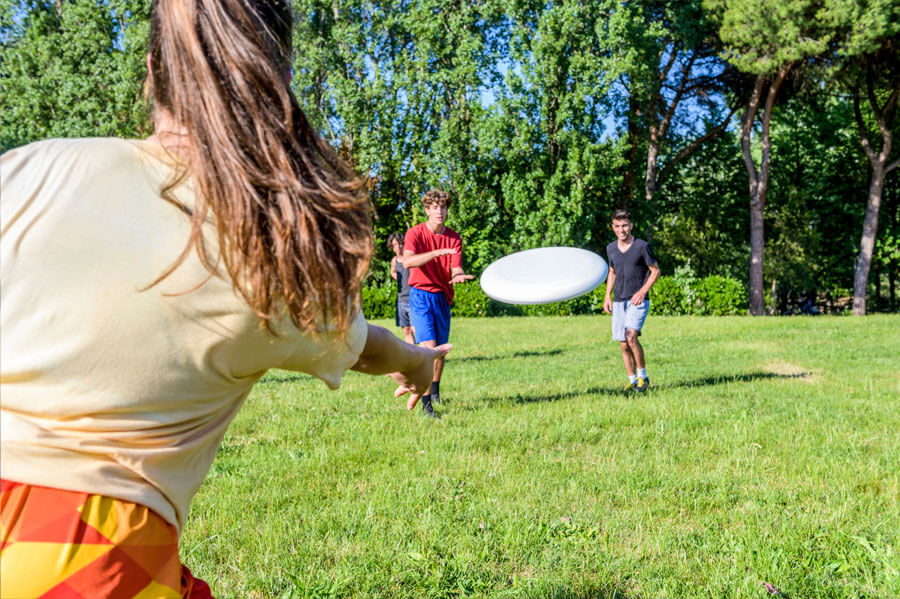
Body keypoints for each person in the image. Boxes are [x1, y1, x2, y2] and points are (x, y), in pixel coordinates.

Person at [0, 2, 448, 597]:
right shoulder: (268, 249)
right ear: (278, 83)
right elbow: (367, 350)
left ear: (153, 69)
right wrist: (419, 362)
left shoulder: (31, 168)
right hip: (77, 558)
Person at [401, 189, 473, 417]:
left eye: (443, 207)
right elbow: (408, 262)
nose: (440, 211)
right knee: (428, 349)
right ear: (427, 210)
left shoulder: (454, 237)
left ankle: (434, 392)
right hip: (420, 294)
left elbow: (456, 266)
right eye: (435, 207)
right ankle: (426, 407)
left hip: (442, 296)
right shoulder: (415, 233)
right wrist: (436, 252)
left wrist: (459, 275)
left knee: (441, 352)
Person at [602, 209, 661, 392]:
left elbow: (656, 270)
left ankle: (643, 378)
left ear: (631, 226)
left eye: (625, 225)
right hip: (619, 300)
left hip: (637, 301)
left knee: (630, 337)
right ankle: (632, 380)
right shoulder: (611, 248)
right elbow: (612, 273)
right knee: (623, 343)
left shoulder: (642, 246)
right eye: (618, 226)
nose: (622, 229)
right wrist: (607, 296)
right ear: (613, 227)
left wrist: (642, 292)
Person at [388, 232, 416, 344]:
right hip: (401, 300)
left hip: (414, 298)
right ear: (392, 247)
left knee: (416, 329)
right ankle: (413, 358)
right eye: (395, 245)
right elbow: (392, 271)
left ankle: (425, 354)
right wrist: (398, 278)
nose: (398, 247)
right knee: (407, 331)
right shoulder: (394, 260)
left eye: (400, 244)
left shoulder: (411, 258)